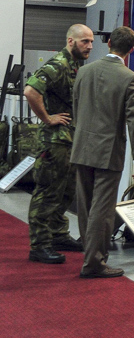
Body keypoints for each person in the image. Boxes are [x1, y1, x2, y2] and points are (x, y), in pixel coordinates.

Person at [70, 26, 134, 279]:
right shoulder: (129, 77)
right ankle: (94, 263)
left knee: (85, 206)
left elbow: (76, 107)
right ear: (131, 49)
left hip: (82, 146)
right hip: (108, 151)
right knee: (102, 210)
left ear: (109, 42)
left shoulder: (84, 71)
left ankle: (89, 255)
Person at [24, 23, 94, 264]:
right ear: (71, 41)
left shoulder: (76, 65)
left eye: (91, 41)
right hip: (54, 142)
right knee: (48, 192)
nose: (90, 46)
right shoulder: (58, 65)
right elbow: (30, 91)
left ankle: (57, 235)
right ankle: (39, 245)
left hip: (69, 140)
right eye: (85, 41)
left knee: (66, 191)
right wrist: (47, 118)